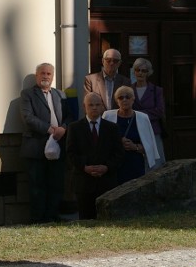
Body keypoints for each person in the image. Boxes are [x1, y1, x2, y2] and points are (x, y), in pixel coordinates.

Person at [20, 63, 68, 223]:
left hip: (58, 145)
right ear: (36, 76)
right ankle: (38, 219)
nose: (46, 76)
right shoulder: (27, 94)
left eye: (49, 74)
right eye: (42, 73)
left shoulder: (60, 95)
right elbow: (28, 118)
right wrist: (49, 129)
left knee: (56, 184)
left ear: (53, 77)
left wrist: (63, 128)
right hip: (36, 146)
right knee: (37, 186)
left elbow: (69, 116)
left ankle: (52, 217)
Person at [66, 93, 124, 219]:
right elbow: (70, 153)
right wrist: (85, 167)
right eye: (91, 105)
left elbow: (118, 153)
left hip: (106, 182)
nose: (94, 108)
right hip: (83, 182)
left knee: (107, 219)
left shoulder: (112, 128)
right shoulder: (74, 128)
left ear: (102, 106)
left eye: (97, 105)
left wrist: (106, 167)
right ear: (84, 106)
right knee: (86, 219)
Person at [103, 85, 159, 184]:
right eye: (121, 97)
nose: (124, 100)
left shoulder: (143, 118)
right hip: (114, 163)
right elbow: (102, 141)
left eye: (128, 97)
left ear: (133, 99)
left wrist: (135, 147)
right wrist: (118, 142)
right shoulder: (107, 116)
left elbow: (149, 148)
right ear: (117, 101)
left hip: (135, 163)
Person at [130, 58, 166, 168]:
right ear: (134, 71)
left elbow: (159, 111)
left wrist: (138, 114)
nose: (140, 73)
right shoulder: (128, 90)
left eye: (144, 71)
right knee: (136, 164)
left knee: (155, 164)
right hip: (134, 131)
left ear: (148, 73)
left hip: (152, 131)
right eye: (137, 70)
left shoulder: (156, 90)